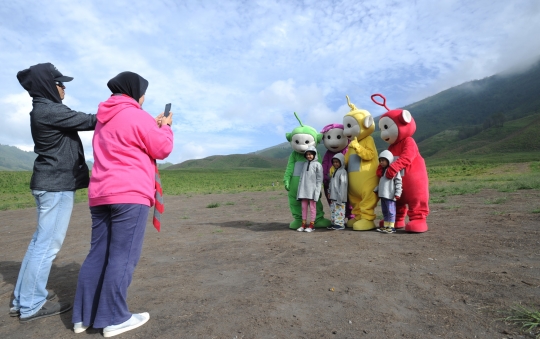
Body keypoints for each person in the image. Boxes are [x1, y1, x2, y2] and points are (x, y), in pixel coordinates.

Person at [71, 71, 173, 337]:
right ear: (134, 90)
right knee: (123, 256)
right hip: (129, 194)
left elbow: (126, 139)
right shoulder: (137, 116)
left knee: (98, 253)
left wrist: (153, 123)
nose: (143, 97)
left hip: (101, 193)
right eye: (143, 92)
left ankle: (83, 316)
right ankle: (115, 317)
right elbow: (161, 148)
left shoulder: (104, 117)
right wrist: (166, 127)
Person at [11, 63, 97, 322]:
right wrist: (125, 111)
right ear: (48, 85)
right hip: (56, 185)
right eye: (60, 83)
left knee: (40, 242)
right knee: (47, 245)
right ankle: (31, 305)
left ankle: (23, 298)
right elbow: (91, 120)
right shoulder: (50, 110)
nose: (64, 87)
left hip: (47, 183)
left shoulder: (42, 109)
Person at [374, 150, 402, 234]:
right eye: (380, 160)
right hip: (383, 195)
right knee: (385, 211)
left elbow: (398, 182)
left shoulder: (394, 171)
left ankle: (391, 227)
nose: (381, 162)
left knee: (391, 211)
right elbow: (382, 183)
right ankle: (386, 226)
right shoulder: (383, 171)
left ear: (389, 160)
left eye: (383, 160)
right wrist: (377, 189)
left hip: (390, 195)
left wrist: (398, 193)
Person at [296, 146, 323, 233]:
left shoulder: (318, 165)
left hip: (312, 191)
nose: (309, 156)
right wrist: (299, 191)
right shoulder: (304, 164)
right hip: (303, 191)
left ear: (314, 155)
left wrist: (317, 192)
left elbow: (319, 180)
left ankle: (311, 225)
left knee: (312, 208)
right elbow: (301, 179)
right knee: (303, 208)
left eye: (310, 154)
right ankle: (303, 225)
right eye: (307, 154)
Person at [326, 153, 348, 230]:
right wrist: (329, 192)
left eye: (337, 162)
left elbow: (343, 185)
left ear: (341, 162)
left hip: (339, 197)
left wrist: (340, 197)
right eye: (334, 162)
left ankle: (340, 224)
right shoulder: (335, 171)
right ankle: (334, 223)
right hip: (333, 196)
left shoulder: (343, 172)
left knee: (340, 210)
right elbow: (331, 183)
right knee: (333, 210)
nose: (335, 163)